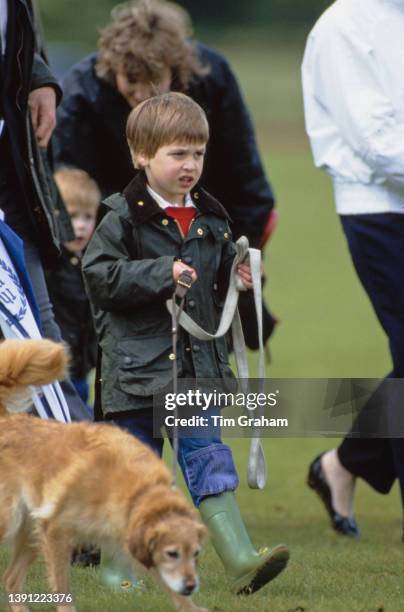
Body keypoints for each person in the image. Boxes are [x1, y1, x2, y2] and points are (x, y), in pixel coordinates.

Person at [82, 92, 289, 594]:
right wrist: (160, 273)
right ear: (141, 155)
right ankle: (119, 572)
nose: (190, 164)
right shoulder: (119, 218)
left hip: (197, 373)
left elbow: (212, 295)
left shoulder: (214, 220)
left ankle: (240, 561)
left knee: (208, 459)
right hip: (135, 375)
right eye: (177, 154)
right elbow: (98, 277)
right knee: (136, 477)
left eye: (197, 153)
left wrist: (236, 284)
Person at [53, 0, 278, 349]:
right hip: (120, 252)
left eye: (154, 82)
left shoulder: (212, 76)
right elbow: (71, 191)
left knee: (204, 366)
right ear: (113, 69)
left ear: (177, 69)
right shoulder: (83, 92)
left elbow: (247, 183)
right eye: (131, 84)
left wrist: (236, 261)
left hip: (203, 245)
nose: (142, 96)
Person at [302, 0, 404, 538]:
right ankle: (345, 464)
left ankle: (343, 464)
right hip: (379, 211)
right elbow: (375, 140)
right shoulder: (344, 24)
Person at [0, 0, 90, 420]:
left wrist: (37, 75)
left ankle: (94, 477)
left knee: (39, 341)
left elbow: (15, 34)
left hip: (11, 174)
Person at [45, 169, 100, 406]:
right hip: (50, 372)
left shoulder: (93, 261)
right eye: (72, 216)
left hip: (79, 371)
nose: (80, 226)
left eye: (88, 217)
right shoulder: (48, 265)